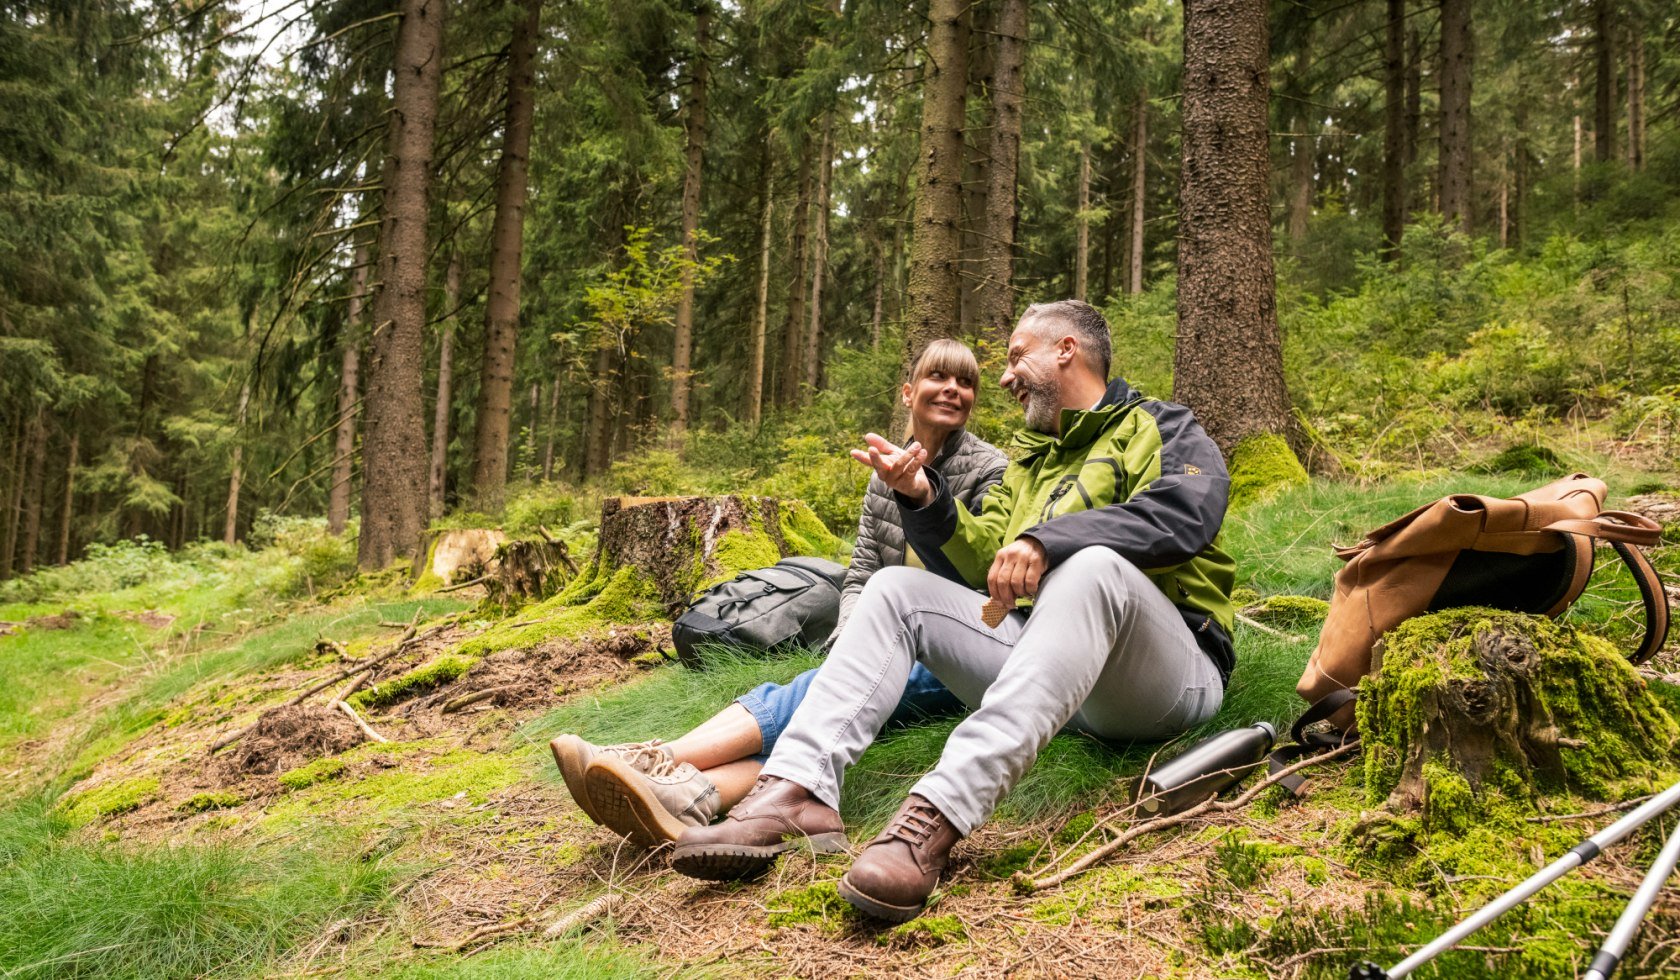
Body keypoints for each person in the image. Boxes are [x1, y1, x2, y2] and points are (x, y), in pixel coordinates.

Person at [668, 300, 1237, 923]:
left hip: (1166, 678)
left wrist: (1051, 542)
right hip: (1056, 683)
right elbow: (979, 568)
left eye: (1017, 355)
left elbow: (1186, 513)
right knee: (892, 588)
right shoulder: (1030, 464)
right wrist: (923, 496)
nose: (1003, 377)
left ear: (1066, 350)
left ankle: (933, 819)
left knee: (1091, 564)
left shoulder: (1160, 426)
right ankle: (796, 794)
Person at [549, 339, 1008, 847]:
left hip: (956, 649)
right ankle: (691, 796)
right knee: (830, 701)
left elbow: (987, 580)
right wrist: (853, 638)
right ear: (907, 392)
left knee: (809, 696)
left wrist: (924, 498)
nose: (952, 389)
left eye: (965, 382)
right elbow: (859, 574)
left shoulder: (990, 469)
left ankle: (656, 758)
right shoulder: (883, 477)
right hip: (893, 635)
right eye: (938, 377)